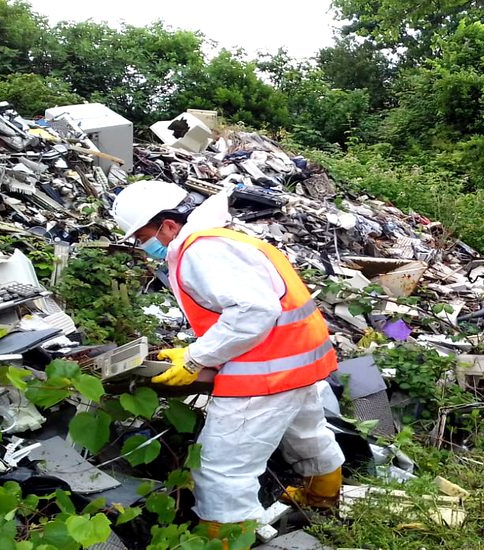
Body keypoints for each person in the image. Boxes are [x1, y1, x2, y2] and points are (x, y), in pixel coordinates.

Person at [111, 180, 345, 537]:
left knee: (220, 468)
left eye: (144, 236)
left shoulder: (201, 251)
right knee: (306, 433)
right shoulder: (226, 238)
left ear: (169, 225)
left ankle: (227, 538)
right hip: (298, 363)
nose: (145, 246)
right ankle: (323, 496)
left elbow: (253, 311)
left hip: (264, 374)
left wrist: (194, 358)